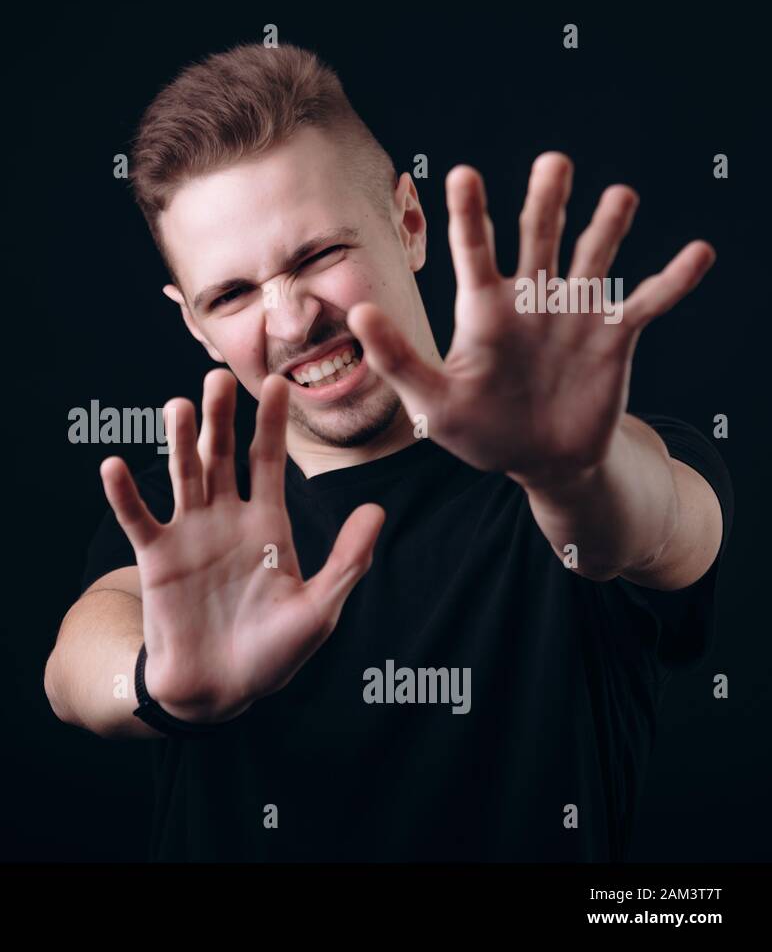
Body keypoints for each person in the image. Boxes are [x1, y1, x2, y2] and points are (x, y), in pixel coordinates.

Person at [43, 43, 732, 861]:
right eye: (230, 295)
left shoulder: (588, 465)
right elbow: (79, 658)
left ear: (408, 223)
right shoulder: (190, 513)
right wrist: (157, 686)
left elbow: (658, 527)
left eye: (320, 255)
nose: (292, 322)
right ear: (192, 321)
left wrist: (573, 469)